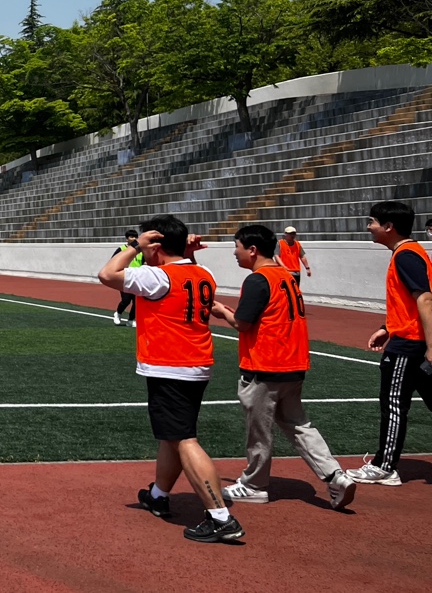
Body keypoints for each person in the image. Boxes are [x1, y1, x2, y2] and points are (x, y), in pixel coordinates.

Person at [97, 215, 244, 543]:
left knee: (184, 439)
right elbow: (185, 273)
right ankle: (159, 495)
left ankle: (220, 516)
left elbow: (107, 274)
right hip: (195, 362)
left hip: (170, 365)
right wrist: (183, 252)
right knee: (172, 436)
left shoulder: (157, 277)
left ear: (156, 245)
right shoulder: (202, 272)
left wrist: (135, 246)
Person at [209, 224, 356, 509]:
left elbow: (243, 323)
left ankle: (254, 484)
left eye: (237, 247)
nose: (235, 253)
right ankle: (334, 475)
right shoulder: (286, 276)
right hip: (293, 363)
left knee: (259, 430)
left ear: (252, 250)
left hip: (265, 364)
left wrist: (221, 311)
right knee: (299, 425)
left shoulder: (257, 279)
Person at [345, 201, 432, 486]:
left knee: (394, 404)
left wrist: (431, 346)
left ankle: (384, 467)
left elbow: (425, 299)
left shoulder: (406, 256)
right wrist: (386, 327)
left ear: (388, 226)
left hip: (408, 345)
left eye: (372, 221)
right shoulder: (410, 253)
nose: (369, 226)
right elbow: (410, 303)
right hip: (409, 338)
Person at [112, 230, 143, 327]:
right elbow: (113, 261)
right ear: (127, 239)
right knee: (126, 300)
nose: (134, 239)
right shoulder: (121, 249)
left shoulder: (141, 251)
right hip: (124, 278)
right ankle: (118, 313)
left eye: (135, 237)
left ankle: (131, 320)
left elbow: (144, 262)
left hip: (137, 278)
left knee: (136, 301)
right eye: (131, 237)